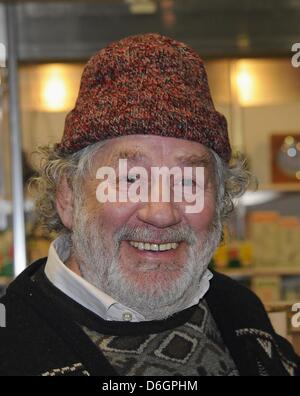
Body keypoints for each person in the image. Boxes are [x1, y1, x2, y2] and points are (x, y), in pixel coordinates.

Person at [0, 33, 299, 376]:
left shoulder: (244, 315)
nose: (161, 212)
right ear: (68, 195)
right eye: (129, 180)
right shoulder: (12, 345)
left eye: (188, 182)